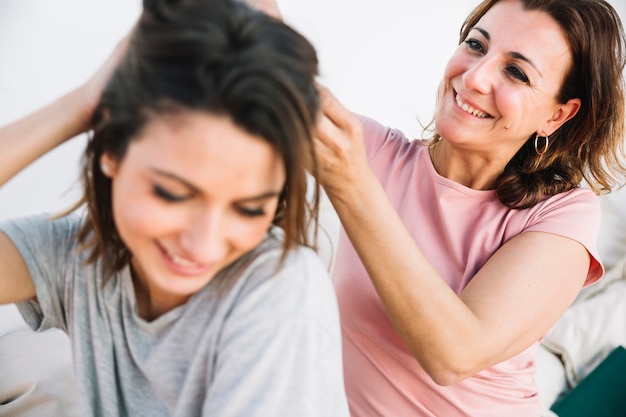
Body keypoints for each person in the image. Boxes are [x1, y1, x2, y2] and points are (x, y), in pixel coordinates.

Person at [0, 0, 350, 416]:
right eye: (172, 195)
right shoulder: (80, 258)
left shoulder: (277, 291)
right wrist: (80, 105)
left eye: (249, 209)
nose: (202, 246)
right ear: (111, 148)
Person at [309, 0, 626, 415]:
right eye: (477, 46)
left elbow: (454, 355)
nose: (475, 78)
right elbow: (266, 70)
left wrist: (353, 187)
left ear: (556, 115)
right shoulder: (373, 153)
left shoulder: (564, 213)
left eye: (516, 72)